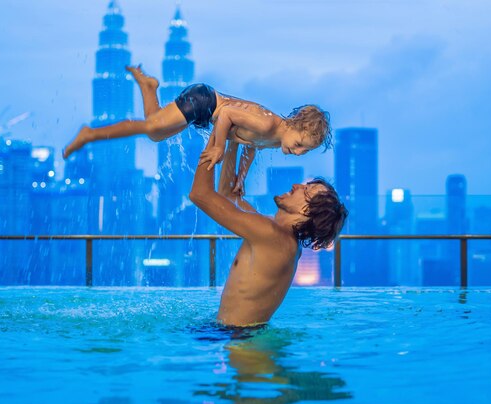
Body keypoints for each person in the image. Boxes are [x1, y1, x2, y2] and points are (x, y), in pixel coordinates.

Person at [63, 65, 332, 194]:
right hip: (204, 101)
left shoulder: (276, 139)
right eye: (299, 144)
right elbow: (226, 113)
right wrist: (218, 147)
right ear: (295, 124)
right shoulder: (268, 123)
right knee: (150, 127)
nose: (297, 152)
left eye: (303, 151)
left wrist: (241, 176)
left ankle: (149, 87)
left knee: (155, 133)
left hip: (207, 113)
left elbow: (252, 146)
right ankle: (90, 134)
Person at [189, 139, 348, 327]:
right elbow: (228, 195)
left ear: (306, 211)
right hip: (239, 335)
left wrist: (216, 139)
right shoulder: (280, 237)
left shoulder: (272, 235)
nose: (297, 185)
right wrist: (233, 140)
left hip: (243, 342)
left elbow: (200, 194)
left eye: (306, 191)